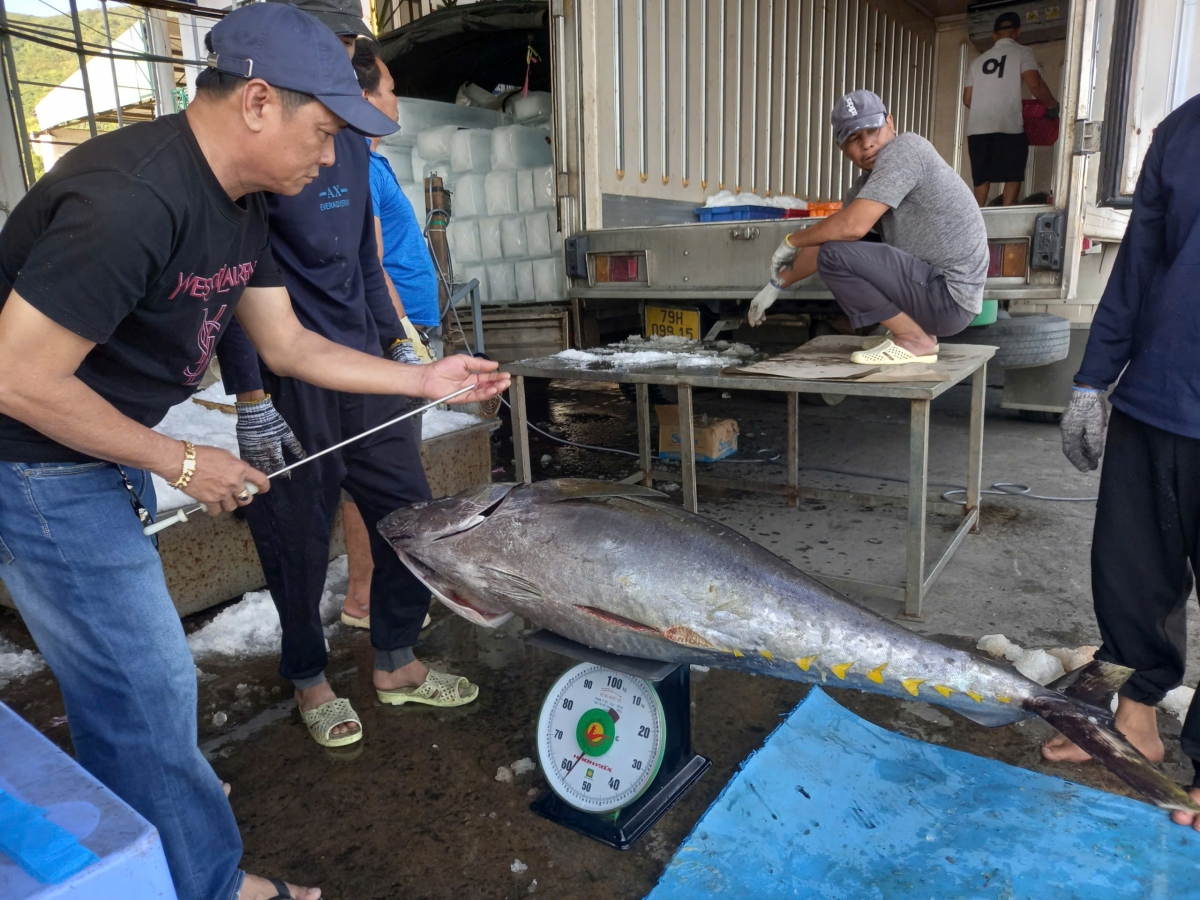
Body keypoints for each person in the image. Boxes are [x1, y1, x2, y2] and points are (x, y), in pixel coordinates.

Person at [0, 4, 506, 900]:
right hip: (33, 457)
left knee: (123, 686)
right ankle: (207, 881)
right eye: (321, 132)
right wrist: (180, 459)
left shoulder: (240, 208)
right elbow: (15, 377)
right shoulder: (132, 196)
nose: (327, 158)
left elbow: (291, 346)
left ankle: (152, 825)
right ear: (261, 102)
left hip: (91, 445)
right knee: (149, 680)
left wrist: (425, 382)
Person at [217, 0, 479, 753]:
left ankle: (395, 662)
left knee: (407, 516)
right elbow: (237, 288)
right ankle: (309, 677)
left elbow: (364, 263)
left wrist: (397, 345)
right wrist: (251, 402)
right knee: (295, 539)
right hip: (289, 375)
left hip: (361, 366)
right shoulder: (263, 152)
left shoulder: (351, 145)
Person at [1045, 94, 1200, 830]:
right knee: (1132, 574)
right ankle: (1136, 718)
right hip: (1158, 393)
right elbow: (1139, 264)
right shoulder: (1184, 128)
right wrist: (1090, 380)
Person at [750, 90, 988, 366]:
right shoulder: (867, 186)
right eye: (854, 139)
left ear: (890, 123)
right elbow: (833, 234)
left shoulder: (905, 150)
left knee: (836, 254)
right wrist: (776, 285)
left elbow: (852, 227)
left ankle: (914, 339)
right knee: (836, 246)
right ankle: (919, 333)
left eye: (872, 130)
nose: (867, 145)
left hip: (949, 298)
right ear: (842, 148)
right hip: (936, 296)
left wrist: (792, 240)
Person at [338, 39, 443, 630]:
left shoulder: (371, 160)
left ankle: (375, 594)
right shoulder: (354, 162)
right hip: (397, 335)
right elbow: (371, 262)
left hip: (407, 328)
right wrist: (405, 337)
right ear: (362, 96)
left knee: (388, 462)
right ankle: (366, 597)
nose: (398, 97)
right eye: (391, 86)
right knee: (383, 466)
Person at [963, 12, 1059, 207]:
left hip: (978, 130)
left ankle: (977, 223)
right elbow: (1034, 84)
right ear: (1017, 32)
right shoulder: (1022, 52)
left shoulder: (978, 61)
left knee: (981, 180)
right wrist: (1052, 105)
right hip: (1009, 126)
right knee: (1013, 175)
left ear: (994, 35)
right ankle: (1006, 217)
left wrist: (987, 108)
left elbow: (967, 99)